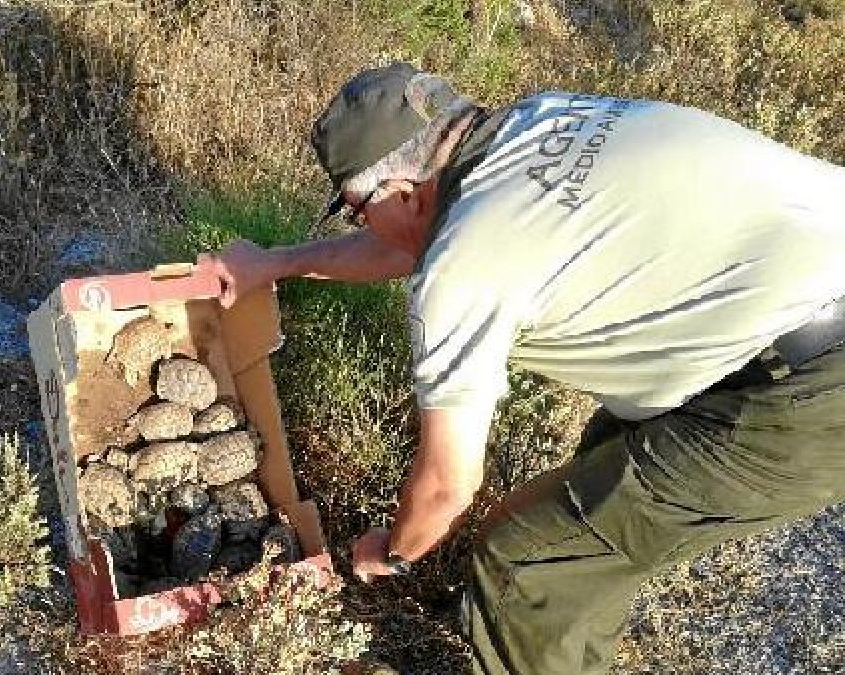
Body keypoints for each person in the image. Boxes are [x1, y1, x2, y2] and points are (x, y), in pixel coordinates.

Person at [202, 62, 845, 675]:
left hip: (806, 387)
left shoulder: (465, 262)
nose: (360, 222)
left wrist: (393, 554)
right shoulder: (539, 121)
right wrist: (279, 262)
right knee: (585, 516)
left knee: (526, 561)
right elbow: (428, 241)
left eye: (354, 208)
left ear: (401, 191)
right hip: (773, 331)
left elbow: (449, 484)